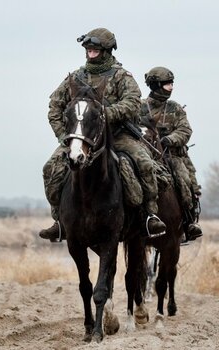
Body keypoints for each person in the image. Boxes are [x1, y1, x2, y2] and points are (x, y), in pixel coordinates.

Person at [39, 28, 165, 242]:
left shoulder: (121, 76)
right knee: (50, 167)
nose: (91, 51)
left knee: (145, 164)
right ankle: (59, 221)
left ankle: (149, 216)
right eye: (88, 48)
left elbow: (133, 102)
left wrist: (106, 113)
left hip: (118, 135)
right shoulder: (76, 77)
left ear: (107, 50)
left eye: (95, 48)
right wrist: (63, 135)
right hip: (82, 137)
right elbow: (55, 106)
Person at [140, 66, 203, 241]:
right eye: (168, 84)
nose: (171, 87)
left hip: (173, 156)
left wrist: (169, 140)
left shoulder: (175, 108)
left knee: (184, 181)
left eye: (171, 83)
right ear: (156, 85)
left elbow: (185, 130)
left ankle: (189, 223)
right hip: (146, 156)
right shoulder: (139, 107)